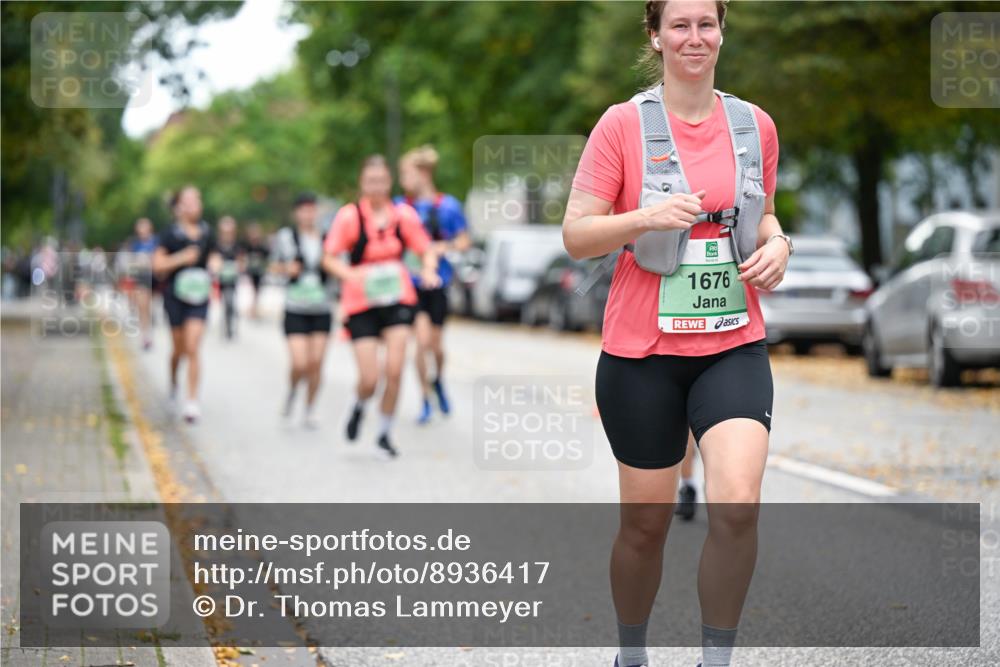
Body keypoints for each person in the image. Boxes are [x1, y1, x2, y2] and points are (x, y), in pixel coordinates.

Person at [562, 2, 791, 666]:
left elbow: (765, 214)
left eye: (706, 23)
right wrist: (644, 216)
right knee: (644, 525)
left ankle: (714, 659)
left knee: (738, 504)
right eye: (680, 25)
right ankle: (631, 652)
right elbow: (577, 234)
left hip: (733, 343)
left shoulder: (754, 125)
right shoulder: (622, 126)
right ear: (655, 36)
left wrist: (782, 245)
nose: (695, 37)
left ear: (723, 30)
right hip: (642, 354)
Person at [322, 155, 440, 458]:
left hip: (397, 299)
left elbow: (426, 249)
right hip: (361, 302)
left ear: (390, 183)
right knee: (370, 378)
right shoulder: (350, 217)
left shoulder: (404, 216)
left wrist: (427, 270)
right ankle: (359, 405)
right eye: (370, 181)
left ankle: (385, 432)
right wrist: (351, 274)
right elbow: (329, 257)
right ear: (362, 183)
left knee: (396, 370)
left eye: (381, 181)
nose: (376, 186)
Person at [397, 145, 470, 424]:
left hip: (439, 283)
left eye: (407, 173)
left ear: (424, 173)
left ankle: (437, 379)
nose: (403, 179)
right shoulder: (400, 206)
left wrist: (441, 247)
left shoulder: (447, 205)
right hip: (411, 283)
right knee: (421, 343)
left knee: (436, 347)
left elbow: (464, 241)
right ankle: (425, 398)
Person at [152, 186, 221, 424]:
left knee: (193, 347)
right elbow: (158, 265)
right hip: (175, 296)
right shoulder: (169, 234)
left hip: (199, 296)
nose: (194, 204)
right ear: (179, 206)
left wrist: (214, 265)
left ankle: (191, 401)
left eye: (197, 199)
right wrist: (181, 258)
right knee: (179, 349)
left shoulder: (206, 232)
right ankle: (173, 381)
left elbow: (215, 255)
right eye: (189, 200)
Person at [271, 193, 333, 429]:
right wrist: (287, 269)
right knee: (300, 362)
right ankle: (293, 390)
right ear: (296, 213)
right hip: (295, 307)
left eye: (312, 210)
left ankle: (310, 407)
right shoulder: (286, 237)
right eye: (304, 210)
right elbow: (273, 265)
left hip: (321, 306)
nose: (308, 215)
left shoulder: (328, 238)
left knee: (316, 362)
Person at [125, 218, 158, 350]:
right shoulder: (135, 244)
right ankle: (145, 335)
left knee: (150, 306)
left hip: (154, 278)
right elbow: (131, 262)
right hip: (140, 278)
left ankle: (149, 330)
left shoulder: (156, 242)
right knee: (142, 306)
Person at [214, 215, 244, 341]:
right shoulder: (217, 245)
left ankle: (232, 325)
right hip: (221, 278)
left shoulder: (237, 245)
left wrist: (239, 266)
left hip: (233, 278)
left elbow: (241, 260)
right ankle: (225, 324)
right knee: (225, 302)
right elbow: (213, 260)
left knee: (232, 302)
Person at [243, 222, 270, 319]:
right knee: (252, 290)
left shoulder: (262, 247)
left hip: (259, 272)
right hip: (250, 272)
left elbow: (267, 259)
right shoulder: (247, 246)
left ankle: (254, 308)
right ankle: (252, 308)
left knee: (257, 290)